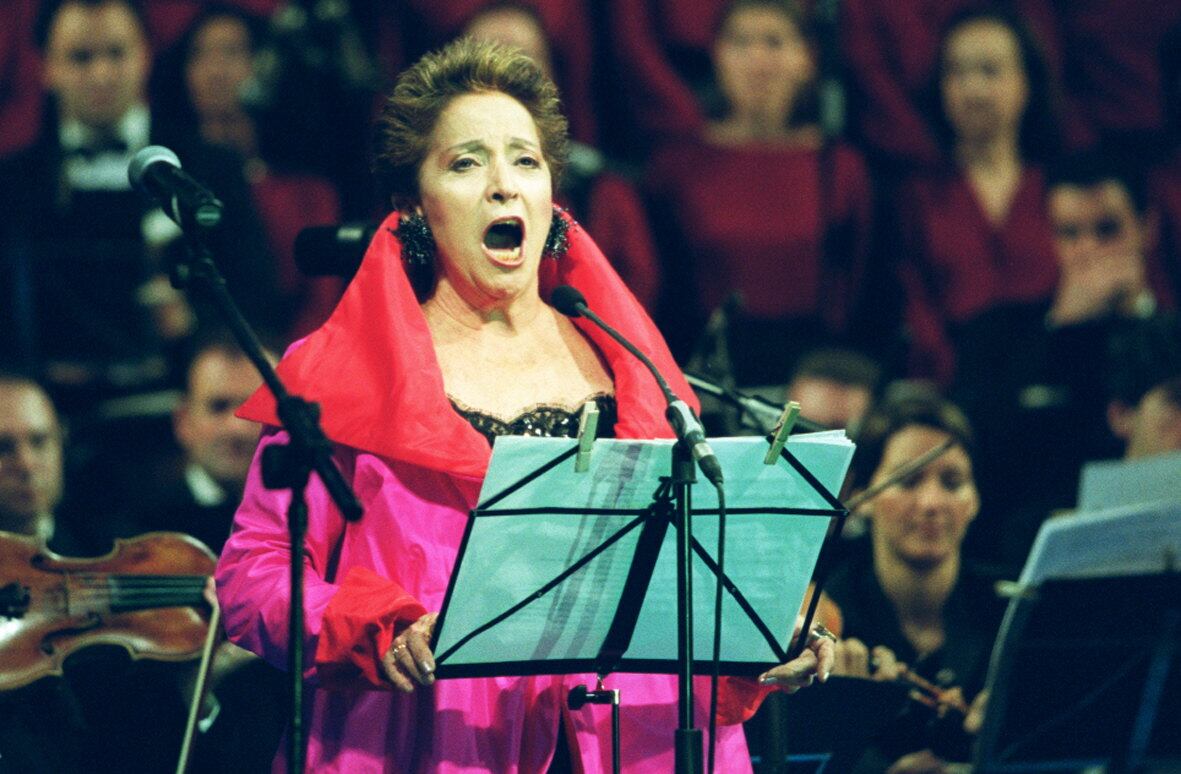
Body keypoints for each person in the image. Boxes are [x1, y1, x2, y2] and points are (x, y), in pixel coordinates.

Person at [215, 38, 834, 772]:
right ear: (415, 205)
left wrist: (759, 635)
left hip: (628, 743)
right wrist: (370, 629)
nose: (504, 184)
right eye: (466, 162)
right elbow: (251, 577)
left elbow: (682, 584)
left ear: (552, 200)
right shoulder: (334, 375)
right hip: (428, 739)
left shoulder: (632, 365)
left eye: (525, 160)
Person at [0, 0, 277, 413]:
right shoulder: (12, 183)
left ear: (145, 55)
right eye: (81, 57)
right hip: (49, 416)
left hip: (180, 411)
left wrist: (192, 324)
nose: (101, 74)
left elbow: (258, 297)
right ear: (47, 68)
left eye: (116, 53)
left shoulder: (209, 166)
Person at [953, 151, 1176, 568]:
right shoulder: (1001, 334)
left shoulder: (1172, 335)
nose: (1087, 250)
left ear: (1147, 228)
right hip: (1025, 551)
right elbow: (978, 445)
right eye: (1070, 234)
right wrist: (1063, 328)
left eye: (1107, 230)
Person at [646, 0, 872, 382]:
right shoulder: (677, 165)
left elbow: (863, 284)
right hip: (701, 373)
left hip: (815, 374)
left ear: (806, 58)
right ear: (716, 55)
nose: (757, 60)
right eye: (741, 43)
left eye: (774, 42)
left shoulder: (840, 167)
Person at [826, 391, 1006, 772]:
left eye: (953, 482)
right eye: (908, 481)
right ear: (862, 496)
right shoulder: (825, 618)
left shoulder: (1011, 610)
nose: (930, 503)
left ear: (975, 499)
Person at [460, 1, 663, 311]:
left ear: (551, 78)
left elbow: (632, 303)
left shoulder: (601, 192)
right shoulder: (425, 189)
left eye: (521, 59)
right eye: (484, 57)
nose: (501, 75)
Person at [895, 8, 1062, 385]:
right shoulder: (915, 197)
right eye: (956, 72)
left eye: (990, 71)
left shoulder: (1060, 188)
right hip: (955, 396)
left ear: (1027, 81)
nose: (973, 90)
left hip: (1057, 387)